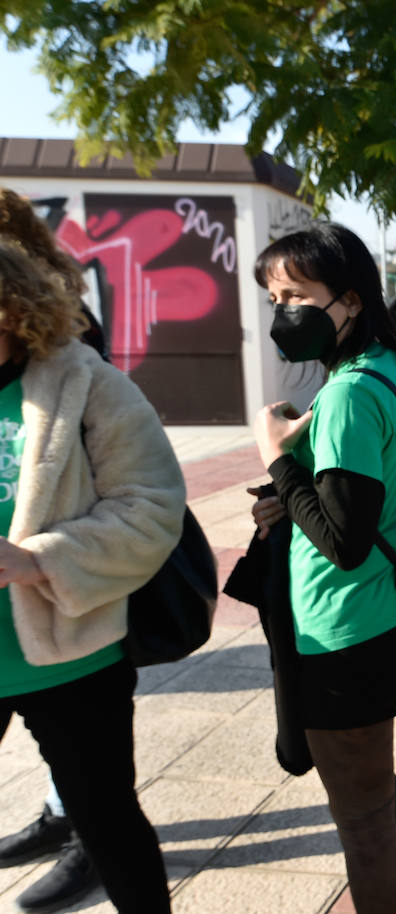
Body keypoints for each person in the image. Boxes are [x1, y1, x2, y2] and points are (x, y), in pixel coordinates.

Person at [247, 224, 396, 914]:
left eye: (295, 295)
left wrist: (278, 457)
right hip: (386, 617)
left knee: (362, 820)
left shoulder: (347, 395)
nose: (283, 310)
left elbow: (345, 540)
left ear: (347, 299)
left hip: (344, 633)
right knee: (369, 784)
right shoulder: (381, 365)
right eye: (274, 297)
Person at [0, 239, 184, 914]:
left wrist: (38, 560)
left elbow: (153, 508)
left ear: (11, 307)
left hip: (72, 657)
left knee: (108, 827)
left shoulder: (85, 380)